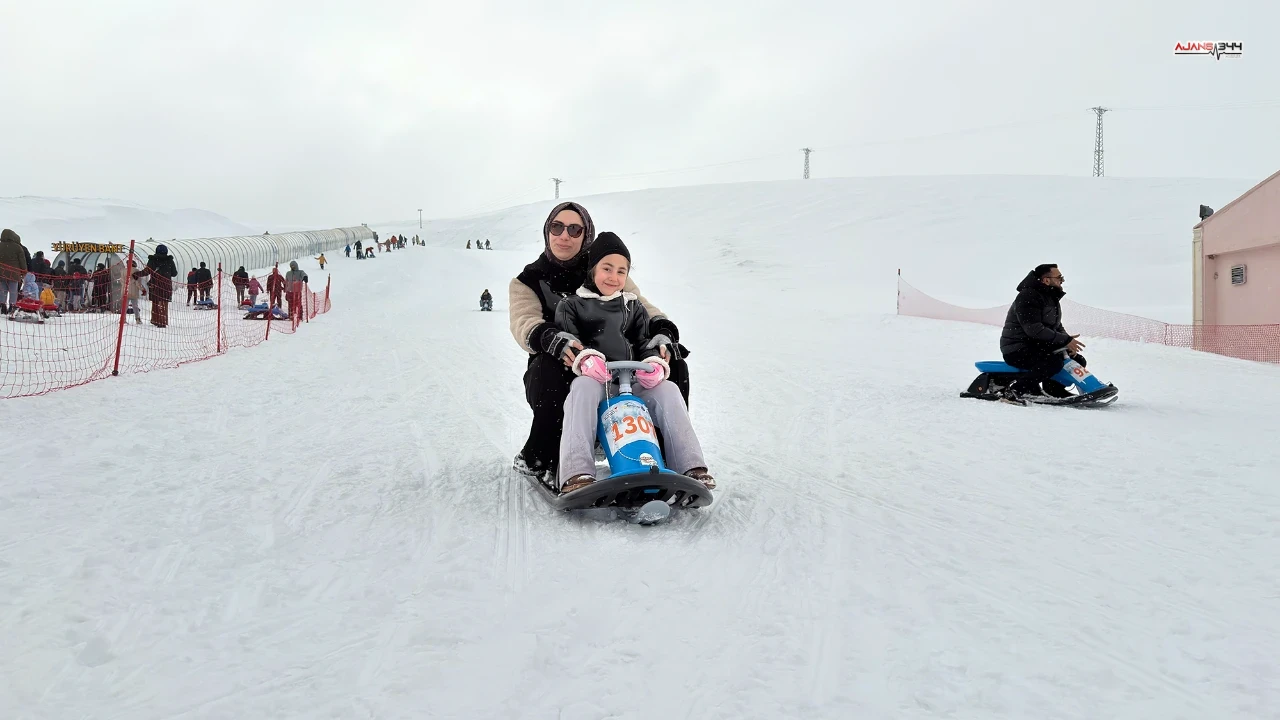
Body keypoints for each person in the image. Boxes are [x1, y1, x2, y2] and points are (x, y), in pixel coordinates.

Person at [508, 201, 690, 481]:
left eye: (574, 229)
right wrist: (551, 338)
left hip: (617, 361)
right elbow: (524, 322)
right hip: (564, 362)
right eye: (557, 227)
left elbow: (640, 305)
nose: (565, 235)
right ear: (548, 232)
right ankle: (545, 455)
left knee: (671, 362)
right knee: (552, 367)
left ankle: (666, 454)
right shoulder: (528, 280)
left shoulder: (603, 267)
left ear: (585, 235)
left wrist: (663, 330)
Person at [553, 232, 712, 493]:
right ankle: (577, 472)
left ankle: (690, 467)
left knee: (669, 390)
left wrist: (653, 363)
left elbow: (643, 341)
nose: (613, 277)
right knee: (581, 389)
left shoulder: (633, 306)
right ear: (592, 269)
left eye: (621, 271)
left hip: (632, 381)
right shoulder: (571, 305)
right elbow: (571, 339)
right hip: (598, 381)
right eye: (606, 268)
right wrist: (585, 359)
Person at [1000, 264, 1086, 398]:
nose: (1062, 281)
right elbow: (1034, 330)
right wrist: (1064, 340)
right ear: (1046, 280)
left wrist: (1066, 341)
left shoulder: (1050, 297)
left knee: (1076, 359)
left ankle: (1053, 389)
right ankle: (1014, 390)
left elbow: (1056, 326)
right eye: (1059, 277)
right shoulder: (1028, 296)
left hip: (1037, 346)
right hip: (1017, 349)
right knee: (1052, 362)